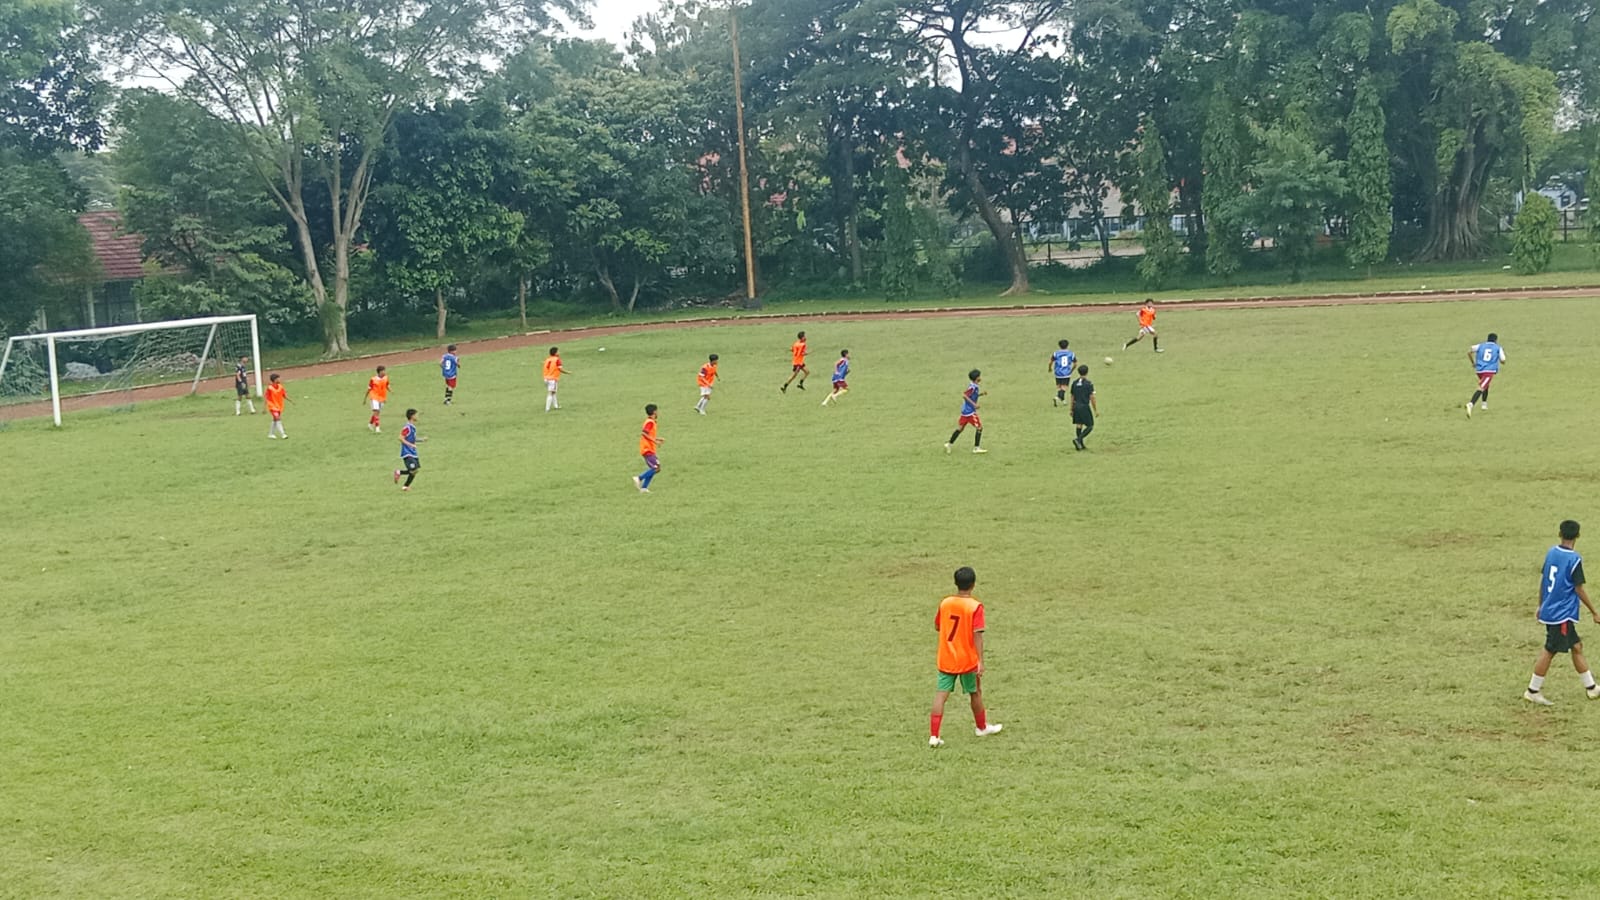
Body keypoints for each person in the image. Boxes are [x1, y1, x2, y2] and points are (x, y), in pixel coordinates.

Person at [1524, 520, 1600, 705]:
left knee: (1576, 646)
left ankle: (1591, 688)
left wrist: (1541, 604)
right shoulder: (1574, 560)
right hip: (1561, 614)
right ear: (1578, 536)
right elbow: (1579, 589)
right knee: (1550, 649)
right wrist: (1594, 612)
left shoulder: (1551, 552)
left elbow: (1544, 580)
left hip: (1551, 609)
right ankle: (1532, 690)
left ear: (1560, 533)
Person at [929, 566, 1003, 748]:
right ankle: (981, 727)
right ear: (973, 584)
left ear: (956, 583)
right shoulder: (974, 606)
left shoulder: (945, 603)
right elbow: (978, 635)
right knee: (975, 692)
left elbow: (938, 626)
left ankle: (934, 736)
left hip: (946, 657)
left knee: (940, 696)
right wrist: (980, 661)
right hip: (966, 659)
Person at [945, 369, 987, 454]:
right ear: (976, 378)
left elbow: (972, 396)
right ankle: (976, 448)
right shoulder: (972, 387)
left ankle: (949, 444)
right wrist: (974, 405)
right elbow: (965, 395)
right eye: (979, 376)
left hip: (965, 412)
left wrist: (981, 394)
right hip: (970, 412)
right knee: (979, 428)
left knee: (960, 429)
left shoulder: (974, 386)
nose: (980, 378)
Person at [1466, 332, 1505, 418]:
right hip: (1489, 371)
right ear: (1495, 340)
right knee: (1481, 387)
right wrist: (1500, 361)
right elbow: (1503, 360)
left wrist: (1473, 363)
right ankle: (1471, 404)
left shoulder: (1480, 345)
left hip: (1479, 370)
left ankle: (1484, 404)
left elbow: (1469, 351)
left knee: (1485, 385)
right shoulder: (1498, 348)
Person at [392, 408, 424, 492]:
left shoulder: (413, 427)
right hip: (407, 453)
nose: (418, 416)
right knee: (413, 470)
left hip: (413, 453)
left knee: (415, 470)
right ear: (412, 416)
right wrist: (411, 445)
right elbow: (400, 438)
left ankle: (402, 480)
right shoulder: (407, 427)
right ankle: (404, 483)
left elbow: (412, 438)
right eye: (416, 415)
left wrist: (421, 440)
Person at [633, 404, 662, 493]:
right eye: (657, 411)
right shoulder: (650, 422)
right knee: (656, 467)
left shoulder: (651, 421)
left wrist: (656, 439)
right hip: (647, 449)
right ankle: (639, 478)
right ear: (654, 412)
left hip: (649, 448)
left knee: (656, 468)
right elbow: (644, 433)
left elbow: (648, 434)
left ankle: (644, 488)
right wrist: (654, 441)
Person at [1070, 364, 1098, 451]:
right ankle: (1078, 440)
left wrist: (1071, 409)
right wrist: (1095, 410)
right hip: (1084, 407)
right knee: (1090, 426)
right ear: (1087, 372)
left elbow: (1072, 397)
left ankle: (1080, 445)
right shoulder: (1088, 384)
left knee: (1079, 425)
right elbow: (1092, 397)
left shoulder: (1074, 383)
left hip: (1076, 406)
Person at [1050, 340, 1077, 407]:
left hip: (1058, 373)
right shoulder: (1071, 353)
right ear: (1067, 345)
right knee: (1064, 387)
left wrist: (1049, 368)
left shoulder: (1056, 353)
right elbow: (1075, 364)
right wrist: (1071, 370)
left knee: (1059, 387)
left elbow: (1050, 362)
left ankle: (1063, 401)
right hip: (1066, 373)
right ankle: (1057, 397)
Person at [365, 365, 390, 432]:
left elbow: (387, 385)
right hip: (374, 397)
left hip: (381, 398)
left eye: (385, 370)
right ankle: (377, 428)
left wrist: (390, 390)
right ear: (379, 372)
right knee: (376, 411)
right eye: (383, 371)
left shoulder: (386, 378)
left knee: (377, 413)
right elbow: (369, 389)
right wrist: (365, 398)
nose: (384, 372)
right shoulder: (373, 379)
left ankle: (370, 424)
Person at [542, 347, 568, 412]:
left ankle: (556, 406)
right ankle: (547, 409)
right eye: (558, 351)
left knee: (553, 392)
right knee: (550, 393)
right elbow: (560, 369)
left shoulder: (547, 359)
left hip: (546, 378)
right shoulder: (557, 360)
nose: (559, 352)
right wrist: (567, 372)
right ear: (555, 353)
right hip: (552, 379)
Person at [264, 373, 289, 439]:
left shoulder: (280, 386)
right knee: (278, 418)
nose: (279, 379)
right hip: (272, 406)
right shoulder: (269, 388)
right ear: (275, 380)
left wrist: (289, 399)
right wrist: (264, 407)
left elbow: (284, 394)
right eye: (278, 378)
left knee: (275, 419)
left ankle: (271, 434)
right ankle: (283, 434)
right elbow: (267, 397)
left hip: (279, 406)